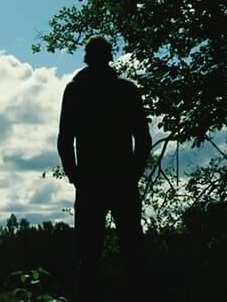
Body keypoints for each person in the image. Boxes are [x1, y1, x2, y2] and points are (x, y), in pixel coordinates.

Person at [57, 35, 152, 301]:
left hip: (90, 183)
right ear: (109, 57)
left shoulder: (76, 90)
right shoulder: (126, 90)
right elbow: (143, 140)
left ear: (87, 57)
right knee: (133, 254)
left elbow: (65, 140)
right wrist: (132, 174)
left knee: (88, 257)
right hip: (120, 181)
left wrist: (75, 176)